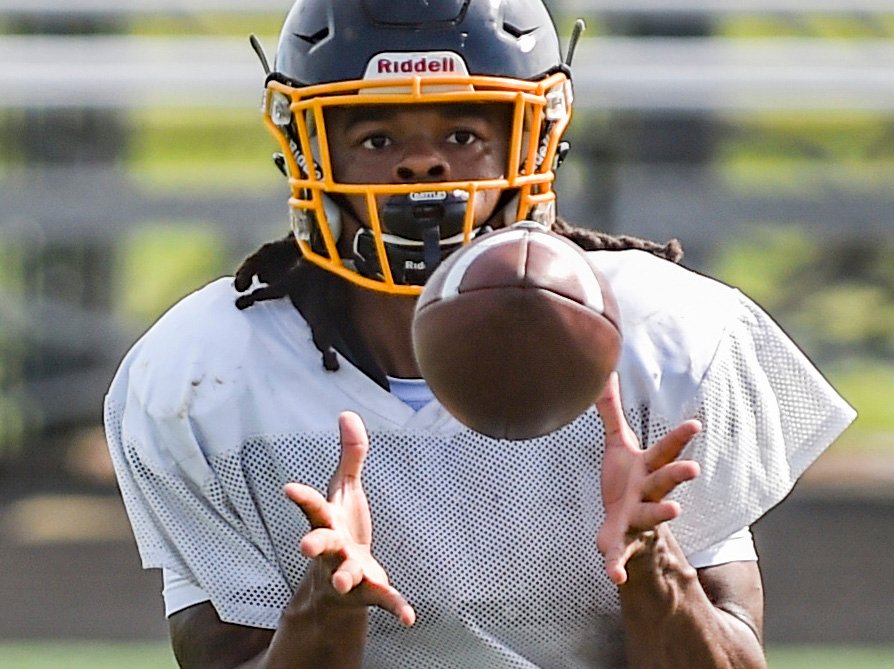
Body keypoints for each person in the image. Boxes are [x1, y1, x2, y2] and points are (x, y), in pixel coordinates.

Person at [103, 1, 855, 667]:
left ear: (535, 139)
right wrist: (325, 607)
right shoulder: (203, 374)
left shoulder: (667, 338)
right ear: (309, 147)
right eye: (374, 136)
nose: (422, 162)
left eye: (463, 131)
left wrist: (651, 560)